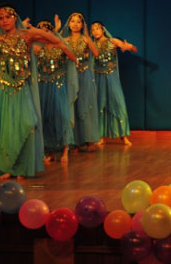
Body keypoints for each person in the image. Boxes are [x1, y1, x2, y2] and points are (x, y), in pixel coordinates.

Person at [0, 0, 66, 179]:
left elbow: (55, 41)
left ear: (15, 17)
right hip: (3, 90)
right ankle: (9, 167)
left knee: (28, 123)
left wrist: (37, 31)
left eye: (8, 17)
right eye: (1, 18)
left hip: (22, 89)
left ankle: (23, 167)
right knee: (7, 130)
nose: (4, 21)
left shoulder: (27, 37)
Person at [33, 17, 78, 164]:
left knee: (61, 116)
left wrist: (62, 45)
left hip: (58, 86)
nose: (44, 34)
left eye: (47, 31)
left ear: (52, 32)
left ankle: (65, 150)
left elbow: (74, 58)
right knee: (46, 117)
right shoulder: (37, 48)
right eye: (41, 32)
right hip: (43, 86)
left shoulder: (60, 45)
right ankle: (50, 152)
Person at [89, 21, 137, 146]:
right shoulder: (92, 45)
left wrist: (129, 47)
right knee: (100, 105)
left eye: (97, 28)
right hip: (98, 77)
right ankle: (100, 136)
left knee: (118, 103)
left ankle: (123, 136)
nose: (95, 31)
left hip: (111, 76)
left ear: (103, 30)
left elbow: (133, 49)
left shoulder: (112, 41)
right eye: (93, 29)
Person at [60, 12, 100, 152]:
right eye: (73, 21)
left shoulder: (86, 39)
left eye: (78, 22)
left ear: (83, 25)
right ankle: (74, 141)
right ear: (68, 24)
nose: (75, 24)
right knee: (72, 105)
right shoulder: (64, 40)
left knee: (86, 106)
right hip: (70, 77)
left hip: (84, 75)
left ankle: (89, 139)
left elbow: (96, 54)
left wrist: (88, 38)